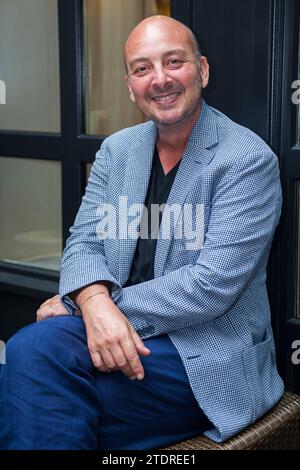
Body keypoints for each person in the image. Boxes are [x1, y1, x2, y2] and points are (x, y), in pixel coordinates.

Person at [0, 15, 284, 450]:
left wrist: (96, 307)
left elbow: (210, 287)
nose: (160, 79)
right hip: (114, 329)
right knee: (33, 362)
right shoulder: (118, 149)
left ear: (202, 70)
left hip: (203, 355)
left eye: (174, 62)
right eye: (142, 68)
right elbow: (83, 240)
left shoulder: (246, 160)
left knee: (32, 383)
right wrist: (93, 304)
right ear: (130, 85)